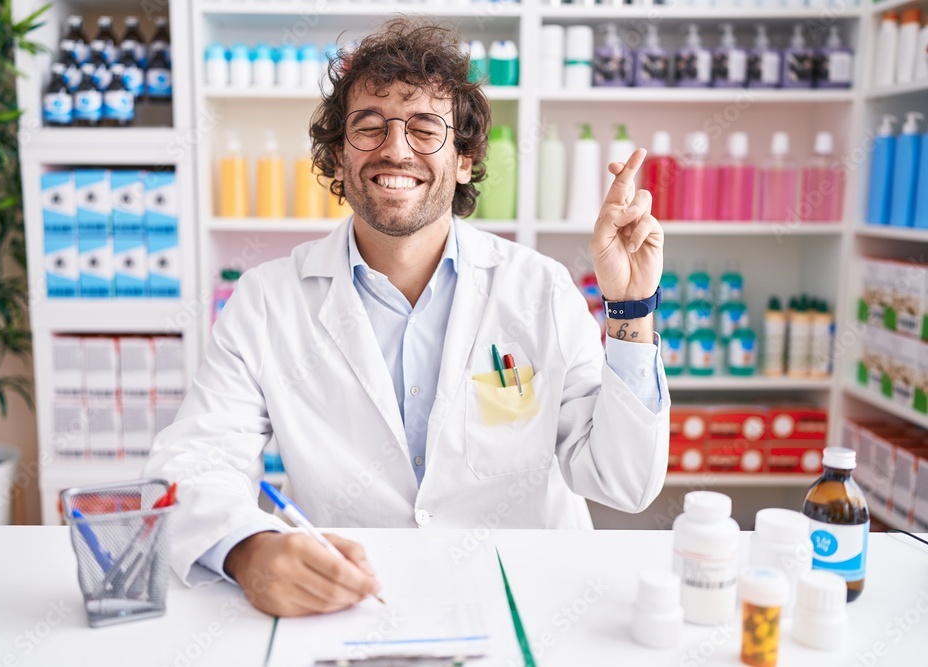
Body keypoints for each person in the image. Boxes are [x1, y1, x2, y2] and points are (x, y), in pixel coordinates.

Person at [145, 18, 669, 618]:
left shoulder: (539, 289)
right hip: (352, 605)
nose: (396, 149)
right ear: (338, 157)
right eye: (369, 127)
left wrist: (630, 312)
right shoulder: (267, 301)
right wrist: (246, 549)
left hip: (526, 604)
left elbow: (624, 483)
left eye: (426, 128)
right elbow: (193, 461)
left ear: (466, 160)